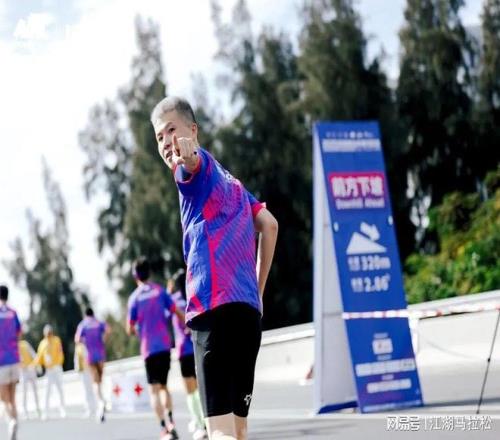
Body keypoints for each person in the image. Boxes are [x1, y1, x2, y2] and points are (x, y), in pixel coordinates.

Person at [151, 96, 279, 440]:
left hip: (213, 312)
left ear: (192, 130)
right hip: (247, 315)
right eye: (159, 137)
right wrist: (257, 292)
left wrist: (189, 156)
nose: (166, 142)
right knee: (238, 431)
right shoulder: (233, 184)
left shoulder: (193, 167)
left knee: (219, 433)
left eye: (171, 130)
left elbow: (191, 162)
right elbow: (270, 225)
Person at [127, 257, 186, 440]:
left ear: (135, 276)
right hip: (164, 346)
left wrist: (138, 330)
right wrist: (188, 324)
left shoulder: (134, 298)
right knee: (164, 387)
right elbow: (176, 310)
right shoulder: (160, 291)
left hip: (149, 349)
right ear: (149, 272)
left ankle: (164, 429)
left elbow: (129, 328)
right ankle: (171, 422)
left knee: (154, 390)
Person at [167, 275, 207, 440]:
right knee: (201, 386)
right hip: (198, 345)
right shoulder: (193, 294)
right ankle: (204, 420)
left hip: (184, 349)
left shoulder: (172, 300)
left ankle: (199, 424)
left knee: (190, 390)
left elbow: (164, 314)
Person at [75, 308, 109, 422]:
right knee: (100, 380)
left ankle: (101, 403)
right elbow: (108, 329)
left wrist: (85, 342)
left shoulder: (83, 324)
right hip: (101, 354)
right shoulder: (98, 322)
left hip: (90, 356)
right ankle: (102, 400)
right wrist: (103, 339)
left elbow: (77, 339)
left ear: (85, 315)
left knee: (95, 382)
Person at [0, 284, 21, 440]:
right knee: (13, 398)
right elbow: (19, 333)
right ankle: (14, 424)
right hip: (14, 358)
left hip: (1, 361)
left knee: (4, 399)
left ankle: (12, 422)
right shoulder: (13, 313)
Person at [34, 324, 66, 420]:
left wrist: (58, 363)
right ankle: (46, 412)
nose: (48, 334)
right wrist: (35, 365)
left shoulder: (56, 340)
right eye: (47, 333)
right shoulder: (42, 343)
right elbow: (39, 357)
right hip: (49, 370)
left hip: (57, 367)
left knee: (60, 389)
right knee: (47, 390)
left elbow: (60, 353)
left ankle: (62, 409)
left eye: (50, 332)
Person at [18, 338, 41, 419]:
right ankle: (25, 411)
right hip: (23, 372)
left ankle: (38, 409)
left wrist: (36, 365)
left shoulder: (25, 343)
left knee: (35, 390)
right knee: (24, 392)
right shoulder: (13, 347)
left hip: (31, 369)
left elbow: (33, 354)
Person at [74, 341, 97, 419]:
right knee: (86, 390)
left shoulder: (86, 345)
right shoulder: (78, 347)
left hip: (88, 370)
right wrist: (77, 370)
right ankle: (89, 408)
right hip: (83, 372)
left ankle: (93, 407)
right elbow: (76, 360)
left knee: (91, 389)